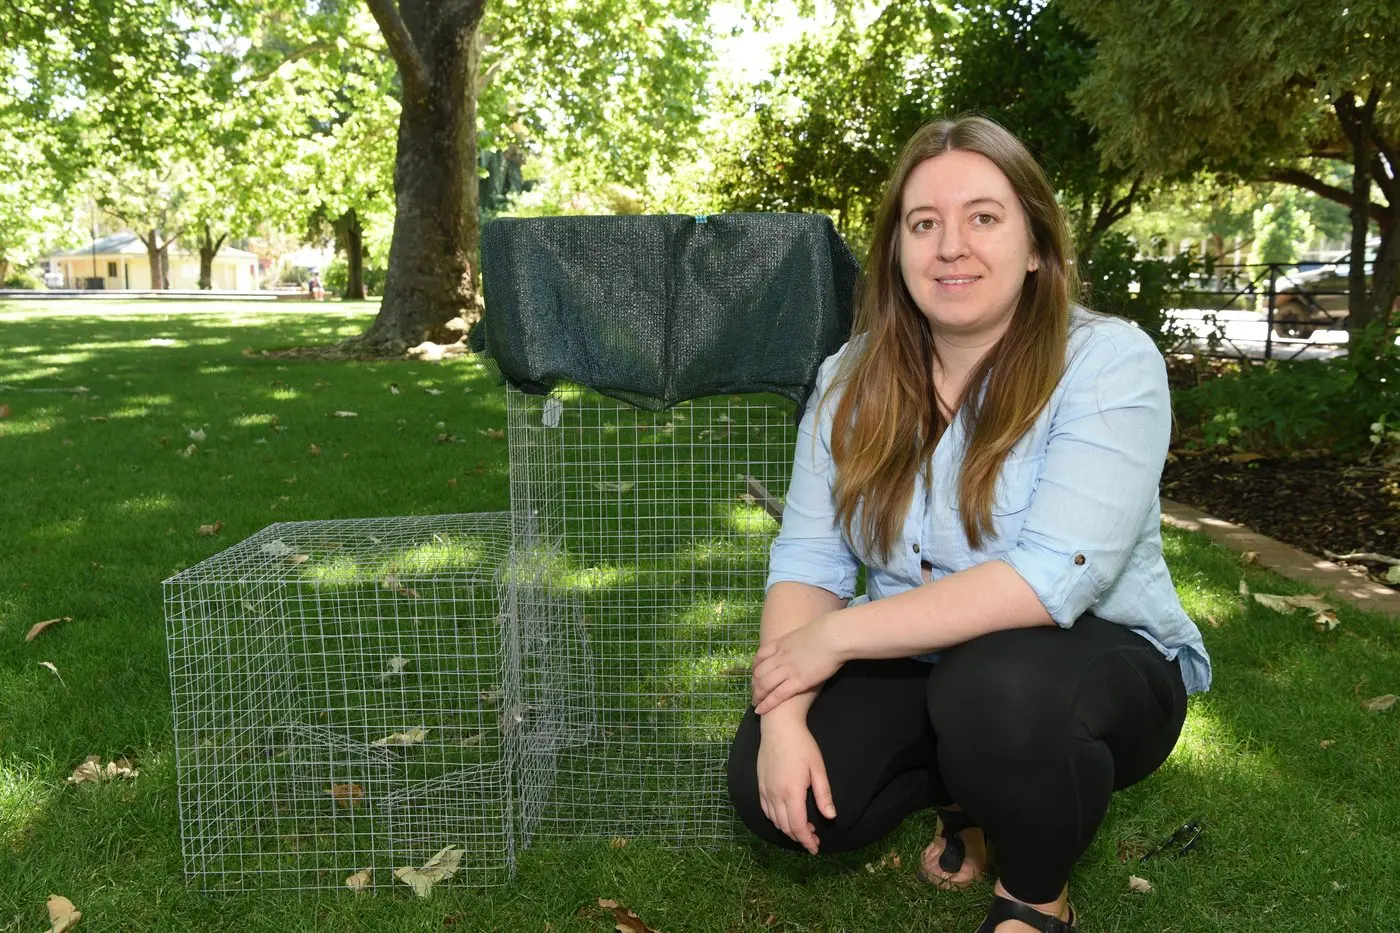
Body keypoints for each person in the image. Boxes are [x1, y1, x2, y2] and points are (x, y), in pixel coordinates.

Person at [726, 115, 1212, 933]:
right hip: (928, 660)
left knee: (997, 689)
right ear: (897, 252)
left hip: (1091, 665)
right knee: (769, 787)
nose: (951, 246)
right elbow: (808, 554)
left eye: (983, 217)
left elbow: (1050, 576)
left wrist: (835, 639)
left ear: (1035, 245)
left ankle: (1033, 896)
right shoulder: (849, 377)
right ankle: (969, 795)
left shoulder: (1106, 363)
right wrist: (782, 715)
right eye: (925, 223)